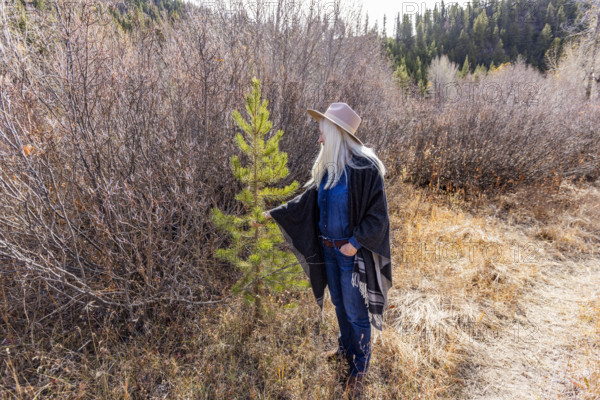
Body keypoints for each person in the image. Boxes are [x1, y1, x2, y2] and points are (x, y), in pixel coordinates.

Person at [257, 103, 392, 398]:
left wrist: (354, 243)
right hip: (329, 251)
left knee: (357, 312)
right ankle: (345, 349)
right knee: (340, 305)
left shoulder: (365, 170)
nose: (319, 139)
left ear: (335, 134)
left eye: (322, 133)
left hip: (351, 255)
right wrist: (273, 214)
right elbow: (307, 202)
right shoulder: (329, 169)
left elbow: (378, 216)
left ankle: (360, 367)